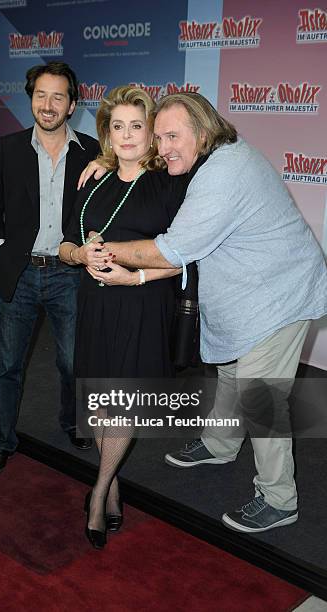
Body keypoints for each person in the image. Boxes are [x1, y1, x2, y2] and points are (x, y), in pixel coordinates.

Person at [84, 92, 327, 533]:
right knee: (233, 373)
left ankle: (279, 498)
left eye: (173, 136)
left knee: (258, 393)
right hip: (249, 292)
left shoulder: (223, 174)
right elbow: (141, 166)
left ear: (202, 132)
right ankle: (219, 443)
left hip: (280, 294)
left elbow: (173, 248)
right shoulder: (208, 160)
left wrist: (101, 252)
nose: (163, 146)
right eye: (158, 137)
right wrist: (106, 161)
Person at [59, 86, 189, 549]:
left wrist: (132, 276)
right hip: (94, 302)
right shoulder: (92, 179)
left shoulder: (169, 183)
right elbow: (63, 244)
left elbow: (183, 257)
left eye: (138, 125)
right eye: (118, 126)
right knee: (98, 398)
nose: (128, 135)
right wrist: (81, 255)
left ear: (151, 131)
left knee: (122, 401)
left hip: (140, 302)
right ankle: (113, 486)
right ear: (107, 133)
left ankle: (97, 494)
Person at [0, 61, 99, 476]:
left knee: (72, 362)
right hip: (19, 274)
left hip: (69, 275)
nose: (47, 105)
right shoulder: (8, 147)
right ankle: (2, 440)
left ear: (72, 105)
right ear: (31, 99)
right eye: (40, 95)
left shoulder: (91, 153)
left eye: (58, 97)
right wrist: (1, 249)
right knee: (7, 364)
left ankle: (72, 422)